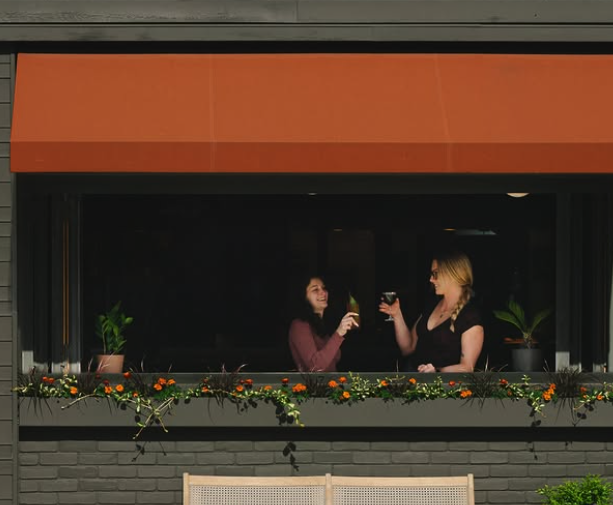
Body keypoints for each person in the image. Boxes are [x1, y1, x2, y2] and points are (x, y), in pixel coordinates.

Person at [379, 250, 484, 373]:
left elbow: (467, 367)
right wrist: (397, 314)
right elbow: (407, 348)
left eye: (435, 274)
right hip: (412, 377)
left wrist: (437, 372)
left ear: (453, 274)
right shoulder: (432, 305)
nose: (431, 279)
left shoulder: (470, 317)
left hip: (440, 383)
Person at [288, 274, 359, 372]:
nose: (323, 292)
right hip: (314, 383)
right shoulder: (299, 325)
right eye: (315, 289)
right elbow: (315, 367)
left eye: (324, 288)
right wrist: (338, 334)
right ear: (303, 296)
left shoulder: (323, 324)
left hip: (333, 381)